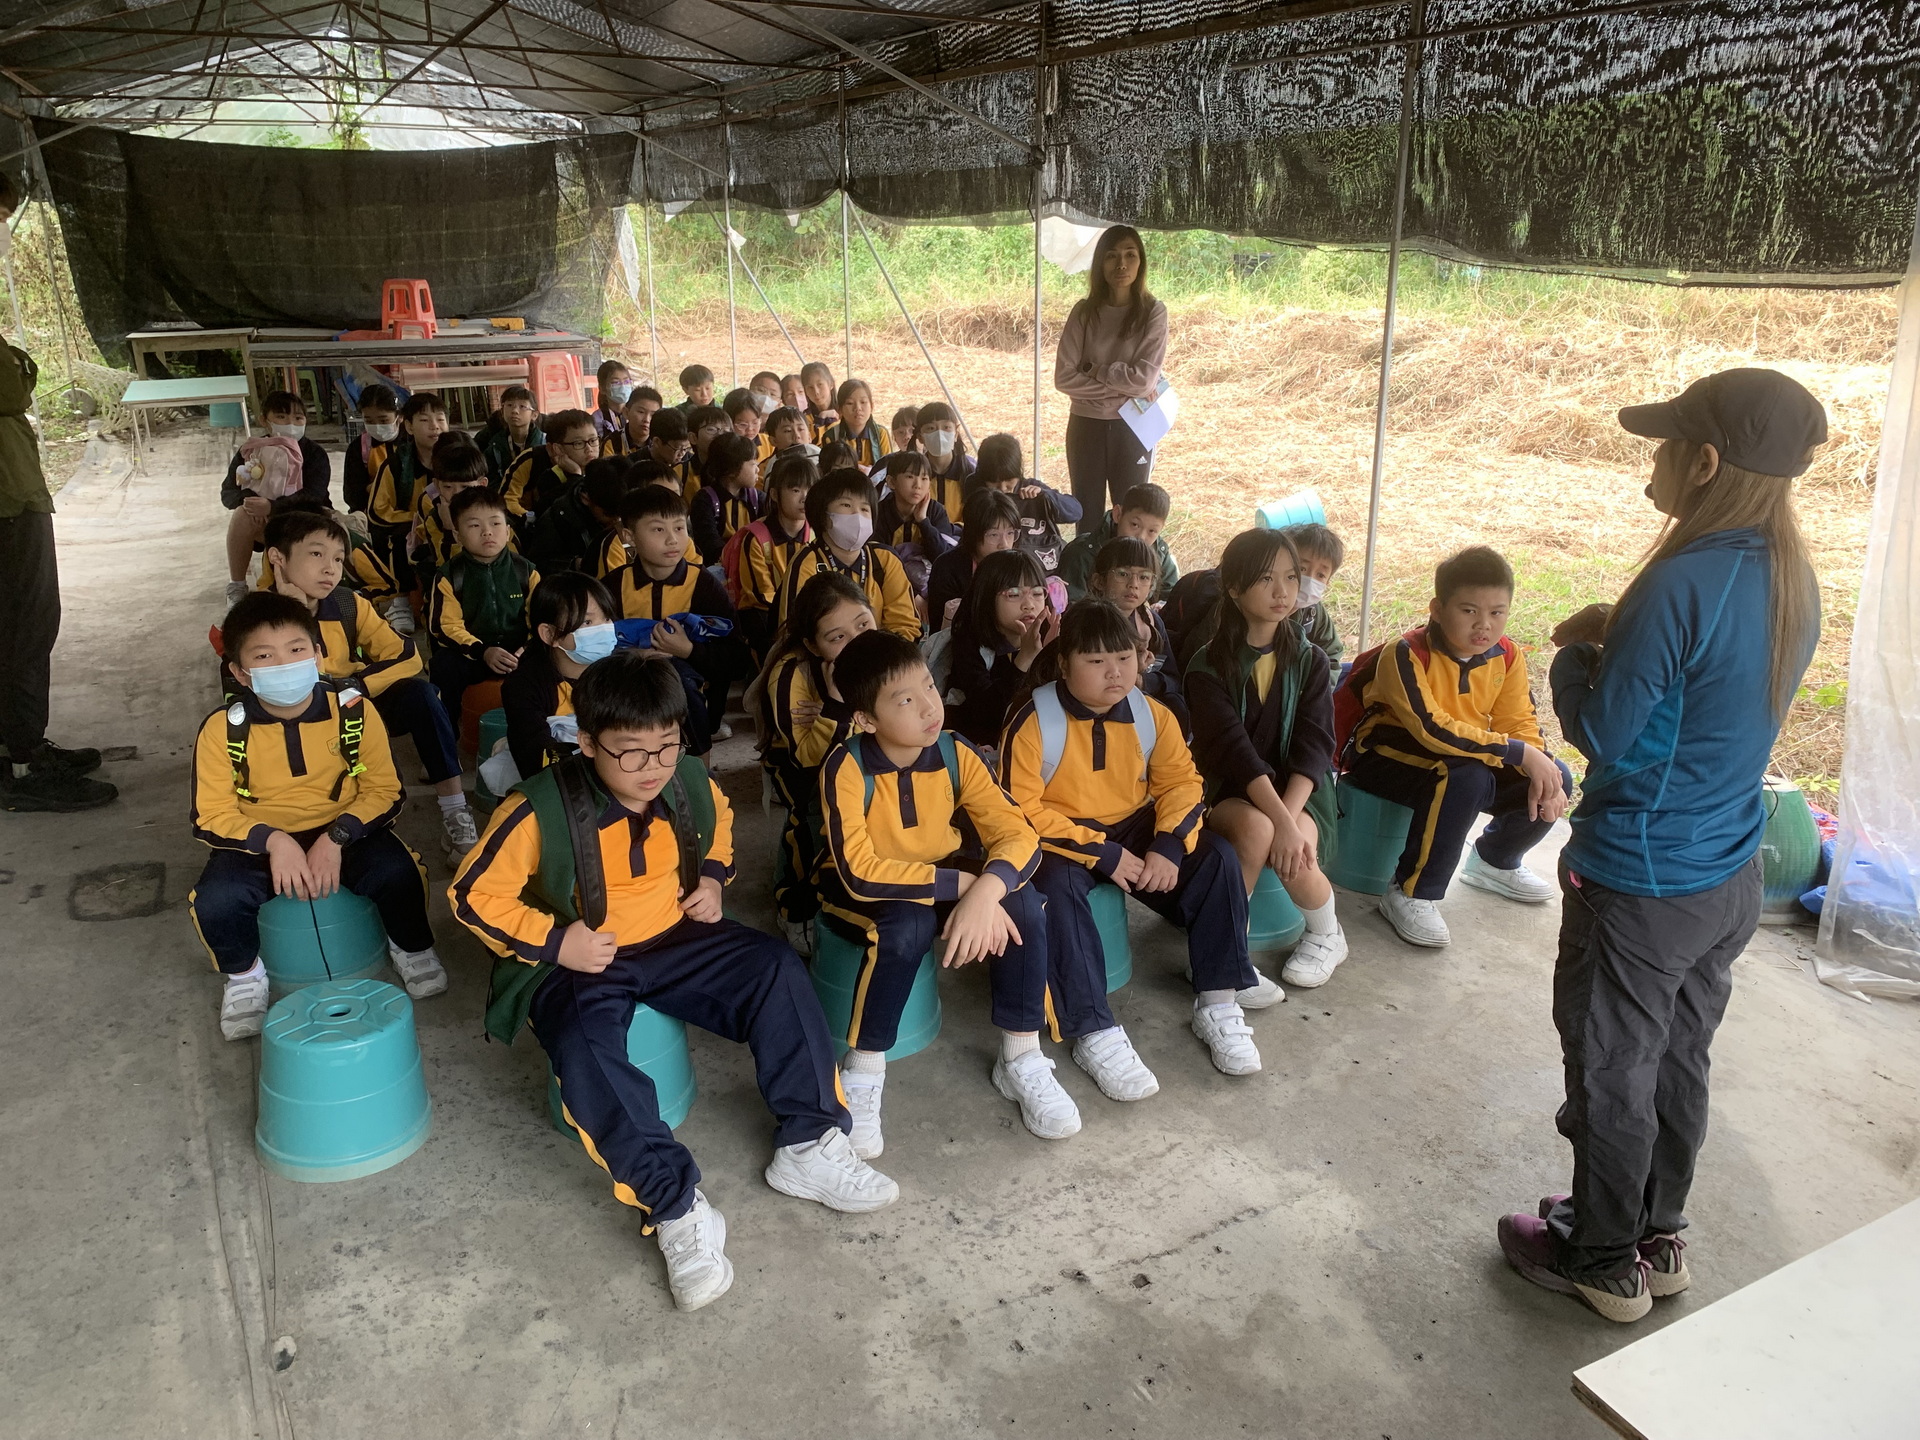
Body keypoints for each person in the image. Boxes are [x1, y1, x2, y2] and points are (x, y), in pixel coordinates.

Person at [1497, 369, 1825, 1324]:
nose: (1655, 462)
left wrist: (1574, 658)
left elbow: (1609, 734)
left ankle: (1601, 1259)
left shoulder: (1679, 580)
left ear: (1706, 462)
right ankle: (1657, 1233)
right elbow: (1709, 690)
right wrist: (1624, 634)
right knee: (1679, 1057)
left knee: (1612, 1067)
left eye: (1666, 446)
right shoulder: (1792, 576)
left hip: (1640, 883)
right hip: (1726, 875)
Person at [450, 651, 898, 1312]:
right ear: (586, 742)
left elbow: (720, 828)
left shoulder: (686, 778)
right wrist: (556, 941)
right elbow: (472, 895)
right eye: (631, 751)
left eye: (666, 745)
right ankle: (676, 1205)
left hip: (673, 935)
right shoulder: (537, 808)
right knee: (586, 1054)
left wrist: (713, 880)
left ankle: (809, 1142)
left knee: (775, 969)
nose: (652, 766)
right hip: (583, 954)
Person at [819, 629, 1074, 1154]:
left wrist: (986, 891)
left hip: (941, 869)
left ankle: (1021, 1057)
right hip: (864, 889)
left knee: (1024, 905)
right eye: (904, 700)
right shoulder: (846, 766)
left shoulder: (955, 752)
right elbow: (859, 871)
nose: (928, 707)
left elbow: (1018, 833)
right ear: (866, 719)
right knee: (906, 926)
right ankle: (863, 1070)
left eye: (929, 687)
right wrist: (963, 884)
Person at [1001, 598, 1261, 1084]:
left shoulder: (1152, 714)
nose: (1114, 672)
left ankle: (1219, 1000)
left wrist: (1168, 843)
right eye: (1096, 661)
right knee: (1053, 891)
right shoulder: (1032, 720)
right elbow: (1019, 810)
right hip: (1060, 836)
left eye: (1124, 658)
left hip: (1134, 822)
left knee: (1215, 859)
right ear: (1064, 664)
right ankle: (1092, 1028)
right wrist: (1102, 853)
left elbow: (1182, 783)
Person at [192, 592, 447, 1041]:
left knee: (399, 871)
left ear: (317, 654)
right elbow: (211, 814)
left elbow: (384, 790)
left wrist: (337, 836)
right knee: (217, 898)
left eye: (296, 650)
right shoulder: (222, 729)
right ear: (240, 673)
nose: (284, 664)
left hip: (343, 827)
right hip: (259, 837)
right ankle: (245, 976)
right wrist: (274, 841)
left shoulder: (353, 710)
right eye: (264, 656)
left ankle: (411, 947)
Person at [1340, 545, 1572, 949]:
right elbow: (1431, 729)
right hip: (1384, 754)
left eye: (1497, 612)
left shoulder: (1507, 655)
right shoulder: (1407, 653)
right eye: (1469, 611)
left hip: (1464, 752)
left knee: (1556, 775)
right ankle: (1411, 891)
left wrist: (1537, 760)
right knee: (1465, 777)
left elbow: (1518, 721)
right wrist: (1517, 753)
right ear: (1437, 609)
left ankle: (1495, 860)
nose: (1484, 625)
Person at [260, 507, 477, 857]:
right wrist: (293, 616)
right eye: (316, 554)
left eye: (338, 558)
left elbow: (406, 655)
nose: (330, 568)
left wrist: (356, 686)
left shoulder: (347, 604)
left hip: (355, 702)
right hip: (297, 720)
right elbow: (267, 687)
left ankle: (455, 810)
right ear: (277, 558)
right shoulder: (256, 617)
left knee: (422, 695)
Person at [1185, 529, 1347, 997]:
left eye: (1291, 577)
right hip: (1230, 788)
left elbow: (1315, 746)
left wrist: (1289, 820)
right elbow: (1235, 754)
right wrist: (1281, 823)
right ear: (1234, 587)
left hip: (1301, 791)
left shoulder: (1312, 660)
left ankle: (1328, 935)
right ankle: (1226, 956)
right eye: (1265, 579)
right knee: (1258, 830)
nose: (1283, 591)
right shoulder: (1207, 666)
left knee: (1290, 839)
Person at [0, 193, 117, 812]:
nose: (3, 230)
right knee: (24, 626)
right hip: (6, 502)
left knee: (23, 626)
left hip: (14, 491)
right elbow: (11, 383)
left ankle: (21, 749)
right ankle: (23, 766)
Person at [755, 571, 874, 956]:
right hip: (801, 770)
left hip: (859, 755)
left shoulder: (883, 655)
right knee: (817, 811)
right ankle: (794, 902)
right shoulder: (792, 673)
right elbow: (805, 758)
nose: (857, 641)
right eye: (837, 637)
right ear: (812, 644)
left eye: (863, 624)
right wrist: (836, 705)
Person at [606, 485, 739, 758]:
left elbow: (735, 657)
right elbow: (592, 644)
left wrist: (688, 650)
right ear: (629, 536)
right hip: (625, 679)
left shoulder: (703, 585)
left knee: (683, 689)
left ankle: (700, 771)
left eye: (679, 528)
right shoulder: (612, 586)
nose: (672, 540)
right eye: (658, 529)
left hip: (688, 691)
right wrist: (633, 656)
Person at [1053, 226, 1170, 519]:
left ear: (1141, 262)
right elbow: (1064, 378)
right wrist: (1125, 387)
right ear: (1100, 263)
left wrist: (1095, 370)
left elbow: (1143, 381)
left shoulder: (1153, 312)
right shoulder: (1083, 312)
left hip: (1133, 425)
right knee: (1086, 517)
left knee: (1132, 517)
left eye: (1130, 255)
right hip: (1085, 427)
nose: (1121, 264)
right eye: (1111, 256)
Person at [428, 488, 540, 732]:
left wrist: (526, 649)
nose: (487, 532)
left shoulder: (526, 571)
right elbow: (444, 626)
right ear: (457, 535)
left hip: (519, 652)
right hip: (474, 654)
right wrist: (483, 651)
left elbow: (542, 620)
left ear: (508, 531)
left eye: (495, 523)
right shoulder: (450, 575)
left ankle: (540, 732)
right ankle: (447, 734)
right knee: (443, 665)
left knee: (552, 662)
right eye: (474, 525)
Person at [773, 468, 920, 640]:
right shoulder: (807, 563)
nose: (857, 515)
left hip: (882, 654)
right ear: (823, 515)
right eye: (846, 505)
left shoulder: (885, 559)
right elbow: (794, 635)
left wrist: (882, 655)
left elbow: (905, 625)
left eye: (865, 509)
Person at [221, 389, 334, 608]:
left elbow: (314, 496)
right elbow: (228, 493)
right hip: (264, 524)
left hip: (308, 521)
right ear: (264, 420)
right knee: (242, 514)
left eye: (298, 418)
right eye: (281, 417)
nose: (291, 423)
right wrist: (252, 503)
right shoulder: (251, 451)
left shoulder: (314, 453)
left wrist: (272, 507)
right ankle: (237, 586)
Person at [501, 571, 616, 779]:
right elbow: (535, 756)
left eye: (607, 618)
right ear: (550, 634)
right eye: (587, 622)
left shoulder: (623, 675)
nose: (603, 630)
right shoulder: (523, 686)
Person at [944, 547, 1057, 749]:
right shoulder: (970, 643)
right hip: (976, 746)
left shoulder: (1051, 637)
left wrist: (1052, 657)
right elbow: (987, 713)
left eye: (1037, 593)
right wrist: (1024, 660)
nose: (1029, 604)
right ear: (986, 597)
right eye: (1013, 594)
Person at [365, 392, 449, 629]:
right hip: (411, 529)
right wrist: (418, 519)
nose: (434, 426)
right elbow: (377, 511)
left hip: (453, 522)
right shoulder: (396, 464)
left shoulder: (459, 457)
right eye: (424, 420)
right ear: (409, 427)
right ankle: (401, 601)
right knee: (401, 536)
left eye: (440, 419)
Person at [1089, 536, 1183, 725]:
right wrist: (1130, 672)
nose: (1134, 584)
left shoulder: (1151, 624)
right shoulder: (1087, 623)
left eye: (1144, 577)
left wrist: (1142, 681)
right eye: (1123, 574)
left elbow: (1172, 679)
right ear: (1099, 581)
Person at [729, 452, 813, 661]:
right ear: (774, 495)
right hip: (763, 612)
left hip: (804, 611)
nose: (805, 498)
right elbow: (761, 595)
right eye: (795, 490)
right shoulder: (756, 537)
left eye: (810, 489)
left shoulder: (816, 534)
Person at [972, 432, 1081, 576]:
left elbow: (1076, 512)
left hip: (1040, 569)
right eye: (994, 482)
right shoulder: (976, 489)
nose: (1003, 488)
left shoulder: (1032, 488)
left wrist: (1046, 495)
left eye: (1009, 480)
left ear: (1019, 473)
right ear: (982, 476)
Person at [1061, 481, 1178, 603]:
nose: (1141, 537)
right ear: (1118, 514)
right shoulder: (1082, 553)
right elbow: (1071, 606)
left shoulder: (1159, 553)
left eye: (1152, 531)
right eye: (1135, 525)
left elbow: (1171, 596)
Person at [408, 434, 493, 598]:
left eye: (465, 487)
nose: (456, 494)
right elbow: (447, 568)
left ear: (482, 484)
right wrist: (449, 529)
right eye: (447, 487)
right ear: (437, 485)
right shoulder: (435, 519)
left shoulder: (495, 515)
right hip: (458, 589)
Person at [926, 488, 1020, 634]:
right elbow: (939, 631)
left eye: (1010, 533)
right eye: (993, 535)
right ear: (973, 534)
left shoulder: (1021, 565)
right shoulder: (947, 568)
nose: (1005, 544)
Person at [873, 452, 957, 597]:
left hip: (933, 586)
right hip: (890, 587)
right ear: (891, 482)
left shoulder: (936, 511)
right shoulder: (880, 514)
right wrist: (913, 595)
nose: (918, 485)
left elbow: (944, 559)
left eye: (924, 478)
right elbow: (878, 563)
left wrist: (923, 522)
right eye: (910, 477)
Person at [503, 408, 596, 523]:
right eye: (579, 443)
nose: (589, 449)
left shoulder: (605, 470)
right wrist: (575, 477)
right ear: (558, 449)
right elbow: (554, 514)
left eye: (593, 440)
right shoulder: (548, 478)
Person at [689, 432, 761, 566]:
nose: (758, 469)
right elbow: (709, 545)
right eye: (753, 464)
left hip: (753, 562)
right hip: (718, 565)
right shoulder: (704, 501)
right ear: (732, 470)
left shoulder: (757, 498)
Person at [342, 383, 401, 514]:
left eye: (383, 421)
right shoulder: (358, 448)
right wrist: (376, 488)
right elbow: (351, 495)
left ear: (399, 417)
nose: (377, 426)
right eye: (369, 421)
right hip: (370, 511)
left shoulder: (411, 442)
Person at [481, 385, 545, 487]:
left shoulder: (544, 443)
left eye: (522, 406)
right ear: (502, 412)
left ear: (534, 415)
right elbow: (490, 478)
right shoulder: (495, 446)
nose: (515, 411)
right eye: (510, 405)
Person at [822, 378, 886, 471]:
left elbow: (887, 468)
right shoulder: (831, 436)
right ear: (840, 410)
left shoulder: (881, 434)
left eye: (863, 402)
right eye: (850, 403)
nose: (858, 408)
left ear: (872, 406)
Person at [601, 386, 663, 461]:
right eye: (641, 412)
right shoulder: (613, 443)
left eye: (653, 415)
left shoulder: (661, 444)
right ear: (626, 413)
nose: (647, 420)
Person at [723, 387, 775, 465]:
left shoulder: (769, 442)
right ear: (728, 422)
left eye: (755, 423)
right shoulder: (725, 448)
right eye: (742, 425)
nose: (750, 429)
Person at [593, 359, 635, 438]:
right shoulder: (596, 420)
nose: (623, 386)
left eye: (626, 382)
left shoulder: (637, 413)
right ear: (602, 388)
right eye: (616, 382)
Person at [799, 361, 838, 440]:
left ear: (831, 384)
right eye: (810, 387)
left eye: (820, 384)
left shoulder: (845, 411)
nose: (816, 392)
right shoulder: (804, 419)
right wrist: (821, 419)